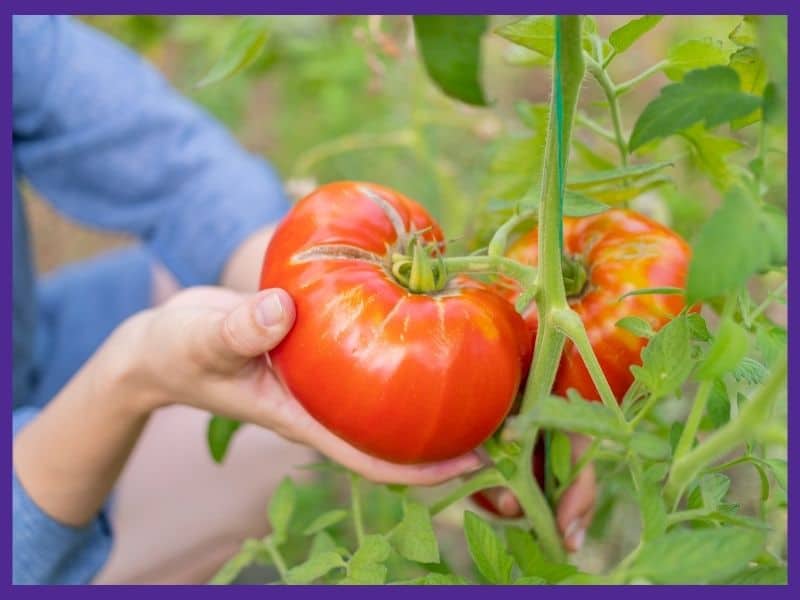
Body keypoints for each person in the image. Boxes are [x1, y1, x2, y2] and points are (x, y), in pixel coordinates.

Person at [12, 16, 596, 585]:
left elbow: (170, 164)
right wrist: (127, 378)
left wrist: (497, 387)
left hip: (35, 347)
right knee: (276, 434)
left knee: (236, 316)